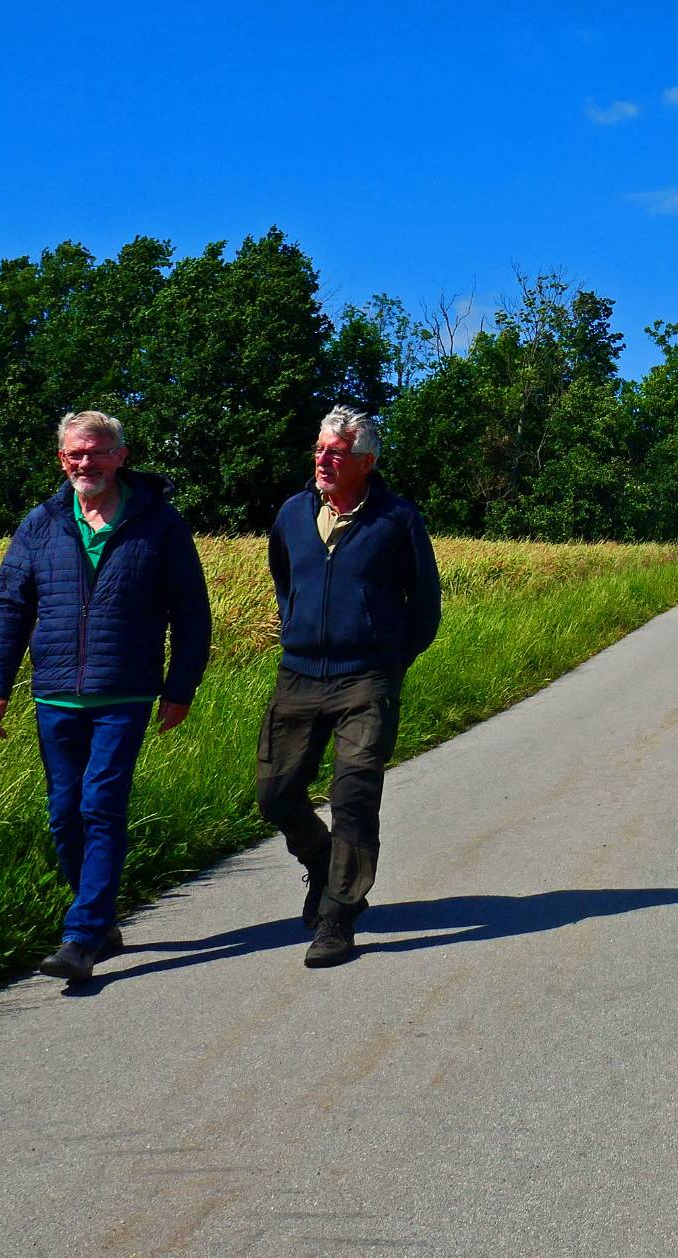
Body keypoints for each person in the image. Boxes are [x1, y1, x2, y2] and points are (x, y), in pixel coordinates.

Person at [0, 411, 211, 982]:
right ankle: (100, 919)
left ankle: (81, 936)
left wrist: (180, 688)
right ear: (62, 460)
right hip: (54, 694)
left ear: (120, 457)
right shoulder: (41, 524)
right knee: (64, 816)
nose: (87, 463)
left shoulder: (160, 524)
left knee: (100, 805)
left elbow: (191, 612)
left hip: (124, 692)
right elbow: (8, 606)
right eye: (76, 454)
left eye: (98, 453)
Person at [257, 407, 441, 968]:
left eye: (336, 452)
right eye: (319, 449)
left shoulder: (397, 518)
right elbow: (284, 578)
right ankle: (323, 860)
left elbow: (424, 604)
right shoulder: (292, 514)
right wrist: (298, 631)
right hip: (299, 675)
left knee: (354, 796)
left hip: (366, 679)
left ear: (366, 461)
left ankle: (339, 914)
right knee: (275, 794)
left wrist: (388, 662)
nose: (323, 459)